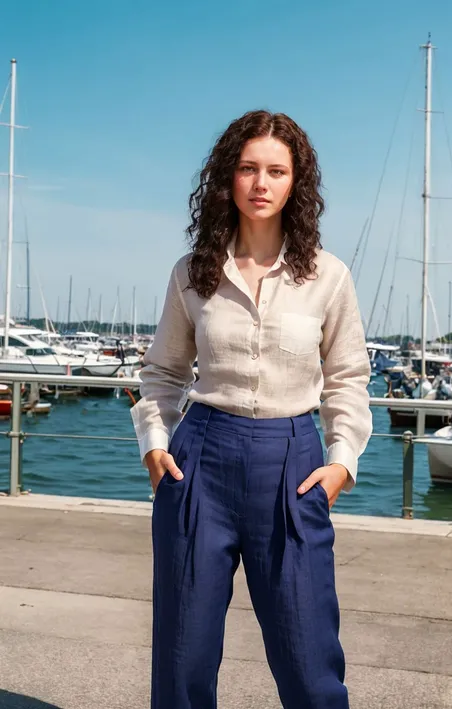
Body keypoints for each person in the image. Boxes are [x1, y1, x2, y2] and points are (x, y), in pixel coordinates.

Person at [131, 110, 372, 709]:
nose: (261, 183)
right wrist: (155, 444)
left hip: (291, 462)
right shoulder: (192, 274)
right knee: (183, 662)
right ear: (227, 179)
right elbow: (161, 372)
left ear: (297, 183)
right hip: (200, 461)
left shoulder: (328, 276)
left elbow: (347, 377)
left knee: (310, 662)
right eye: (247, 168)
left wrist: (342, 461)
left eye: (276, 170)